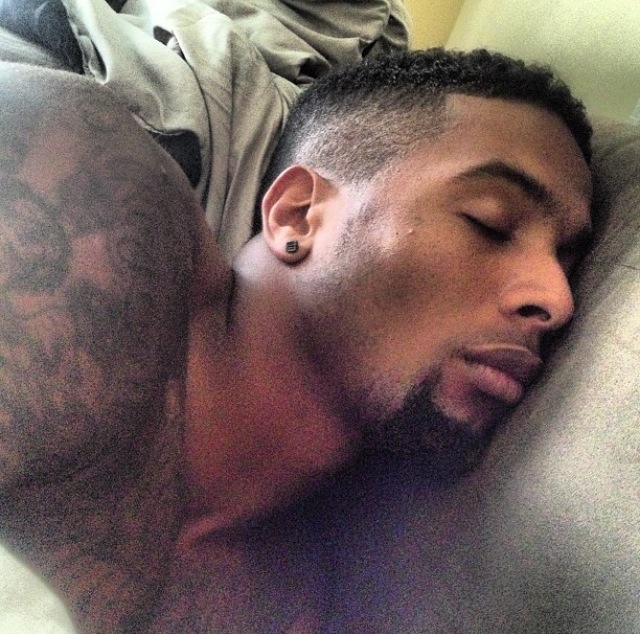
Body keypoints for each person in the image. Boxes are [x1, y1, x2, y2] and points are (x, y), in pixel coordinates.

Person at [0, 45, 593, 633]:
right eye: (490, 223)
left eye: (567, 259)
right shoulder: (86, 191)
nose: (557, 299)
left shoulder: (310, 602)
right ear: (298, 215)